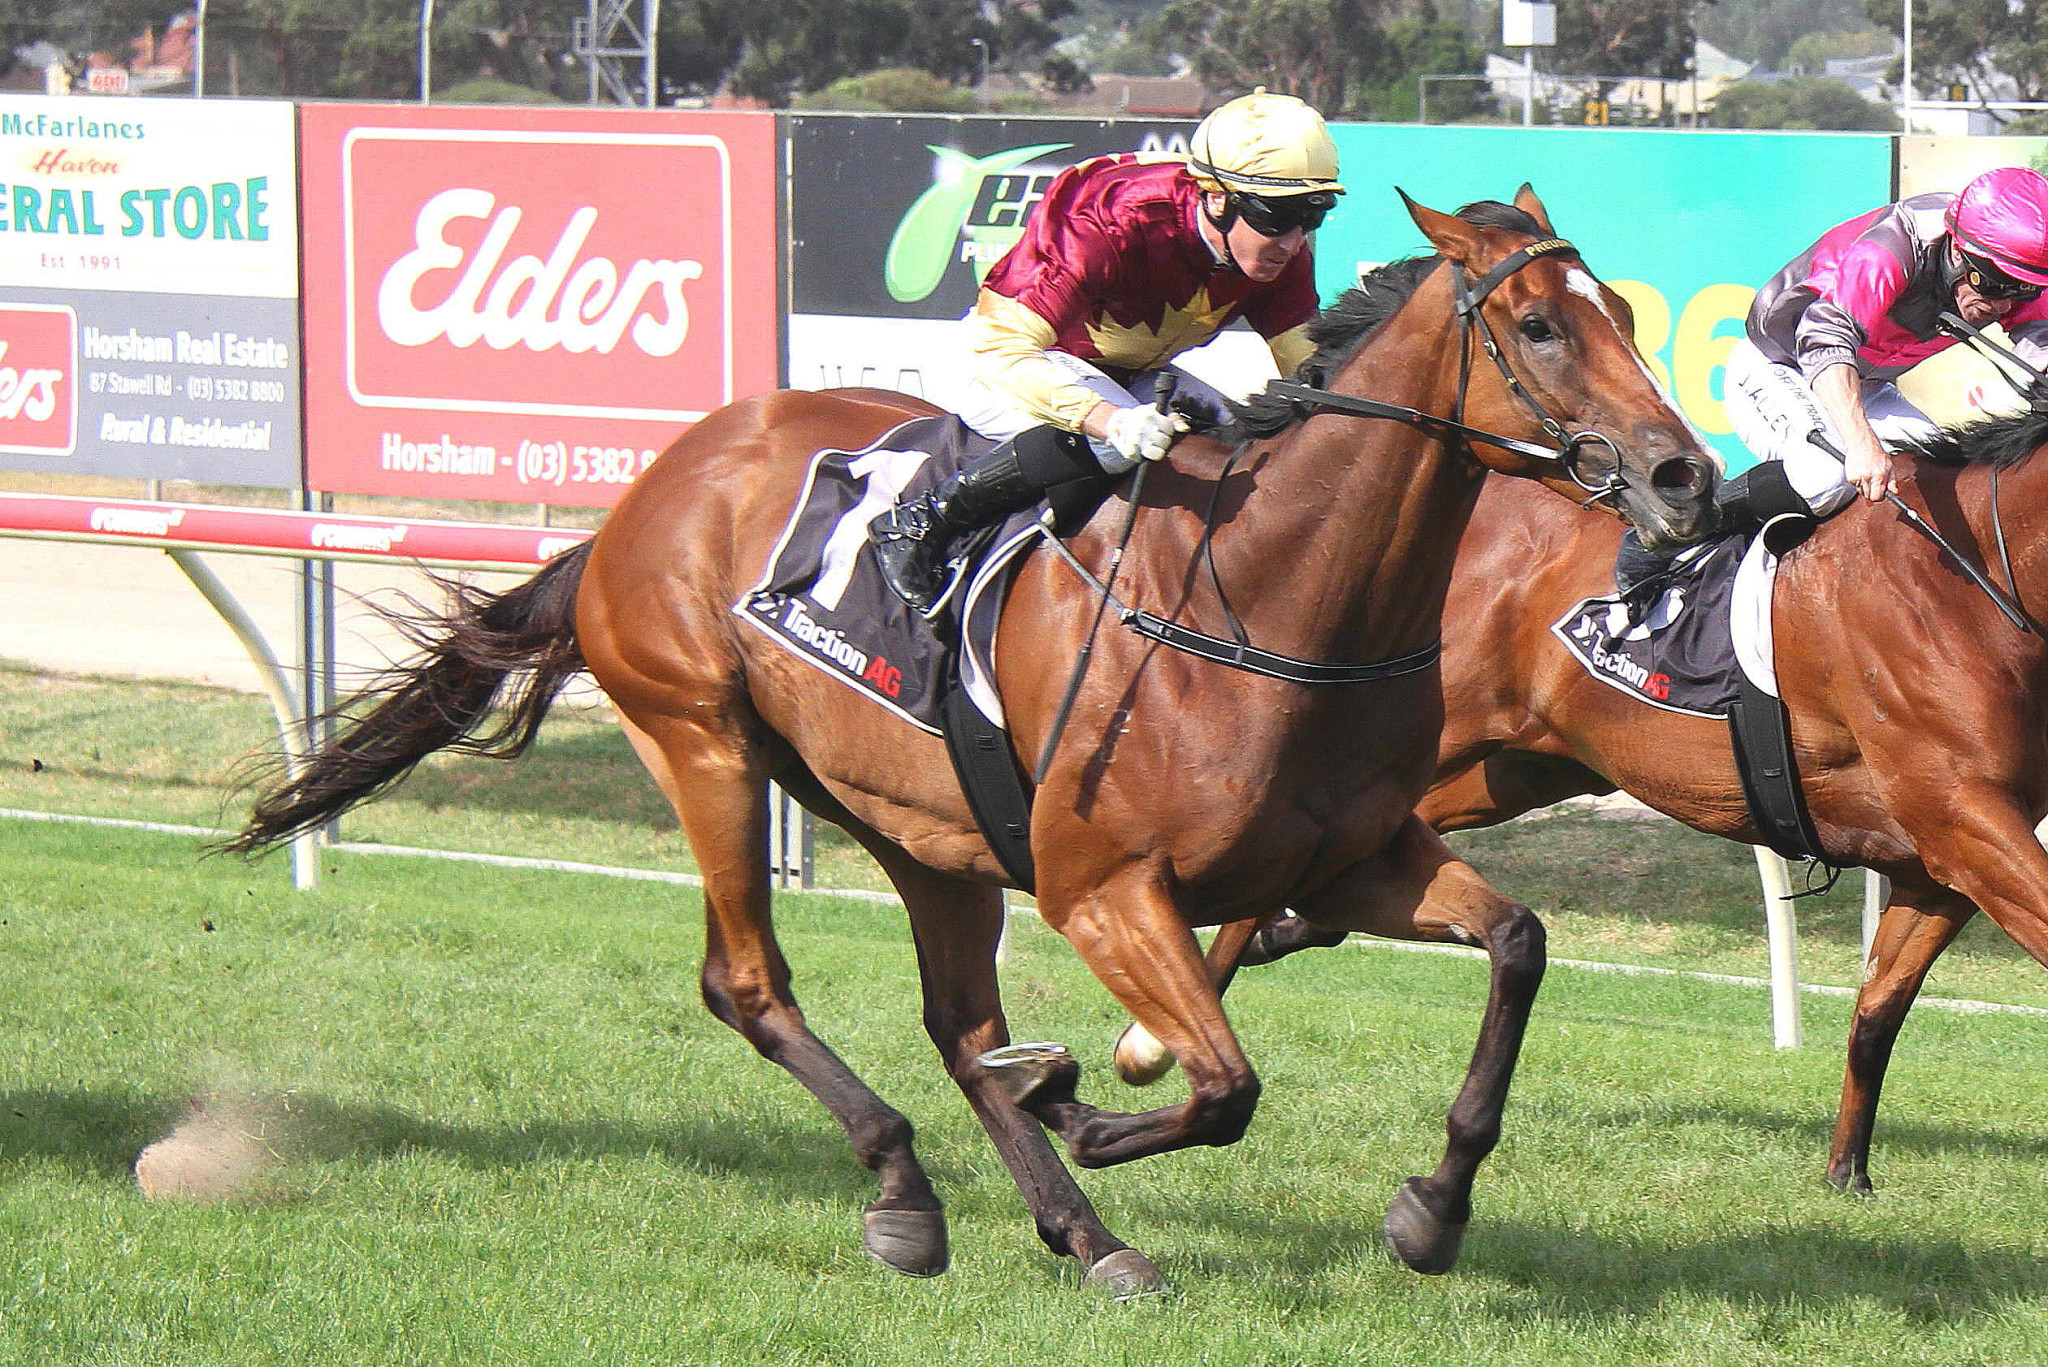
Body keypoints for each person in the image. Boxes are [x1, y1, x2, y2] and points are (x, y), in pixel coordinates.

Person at [870, 88, 1344, 613]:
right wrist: (1108, 420)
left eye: (1312, 215)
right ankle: (924, 520)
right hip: (997, 360)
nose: (1294, 241)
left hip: (1128, 370)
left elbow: (1307, 364)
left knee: (1230, 443)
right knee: (1118, 443)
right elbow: (1002, 347)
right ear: (1216, 197)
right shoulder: (1112, 216)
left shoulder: (1278, 249)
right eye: (1277, 217)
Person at [1615, 165, 2048, 593]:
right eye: (1991, 284)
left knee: (1931, 476)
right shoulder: (1891, 249)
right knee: (1826, 474)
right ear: (1957, 251)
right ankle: (1671, 534)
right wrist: (1860, 443)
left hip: (1868, 386)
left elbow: (2040, 346)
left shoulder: (2013, 273)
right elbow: (1825, 340)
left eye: (2022, 291)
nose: (2004, 304)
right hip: (1780, 365)